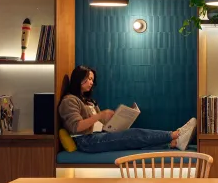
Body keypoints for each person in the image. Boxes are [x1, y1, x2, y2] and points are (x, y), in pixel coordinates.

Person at [58, 65, 197, 153]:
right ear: (79, 79)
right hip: (86, 142)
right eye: (88, 79)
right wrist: (100, 115)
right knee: (133, 134)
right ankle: (176, 134)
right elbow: (76, 127)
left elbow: (98, 123)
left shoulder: (88, 101)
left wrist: (115, 120)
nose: (91, 82)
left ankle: (171, 144)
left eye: (92, 79)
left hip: (97, 136)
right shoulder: (69, 100)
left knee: (132, 140)